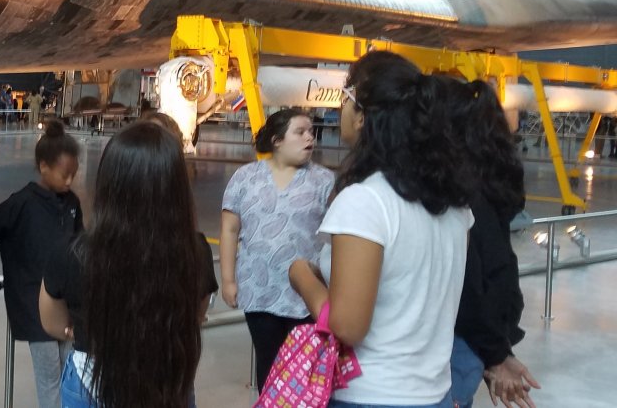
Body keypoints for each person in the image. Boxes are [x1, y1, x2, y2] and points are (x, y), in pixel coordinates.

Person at [289, 51, 474, 408]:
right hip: (435, 392)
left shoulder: (365, 202)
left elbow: (348, 327)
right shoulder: (455, 203)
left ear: (362, 116)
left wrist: (303, 279)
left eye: (345, 97)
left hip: (371, 393)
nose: (340, 107)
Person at [40, 121, 209, 408]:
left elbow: (54, 323)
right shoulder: (196, 251)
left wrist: (85, 331)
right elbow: (194, 314)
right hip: (168, 379)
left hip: (88, 381)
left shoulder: (70, 254)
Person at [439, 77, 540, 408]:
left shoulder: (462, 198)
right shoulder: (489, 183)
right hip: (476, 341)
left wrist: (496, 354)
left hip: (457, 343)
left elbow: (470, 285)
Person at [219, 107, 335, 393]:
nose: (310, 138)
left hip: (306, 295)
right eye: (300, 132)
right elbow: (229, 230)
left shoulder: (324, 181)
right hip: (259, 290)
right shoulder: (245, 178)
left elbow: (336, 239)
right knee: (269, 363)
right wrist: (229, 280)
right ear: (276, 140)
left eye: (312, 132)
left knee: (304, 367)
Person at [0, 119, 83, 408]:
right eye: (64, 174)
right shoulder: (21, 204)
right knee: (49, 377)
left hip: (67, 304)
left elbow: (80, 246)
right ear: (44, 167)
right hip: (33, 306)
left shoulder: (72, 204)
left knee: (71, 370)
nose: (69, 182)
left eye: (73, 175)